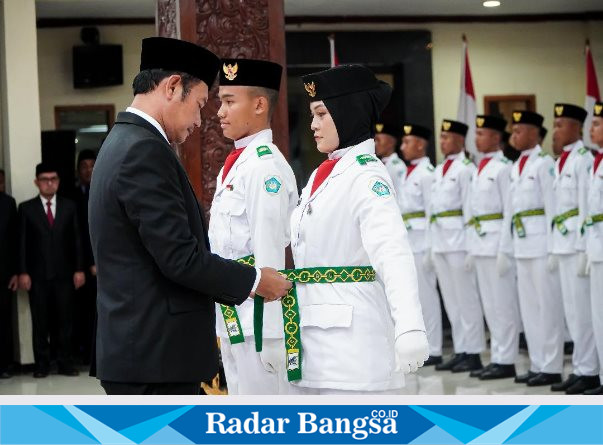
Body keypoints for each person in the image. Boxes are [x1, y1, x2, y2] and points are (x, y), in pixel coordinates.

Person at [88, 37, 291, 395]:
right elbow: (180, 258)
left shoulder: (122, 141)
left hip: (145, 351)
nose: (201, 121)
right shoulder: (144, 151)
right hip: (155, 358)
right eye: (199, 105)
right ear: (172, 87)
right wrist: (256, 282)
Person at [286, 64, 428, 395]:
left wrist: (409, 325)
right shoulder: (324, 174)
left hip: (352, 345)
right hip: (312, 336)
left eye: (321, 113)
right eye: (312, 114)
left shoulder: (366, 176)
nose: (313, 125)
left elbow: (391, 251)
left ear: (348, 112)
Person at [210, 58, 298, 394]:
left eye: (230, 101)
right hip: (234, 309)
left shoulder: (264, 167)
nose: (220, 111)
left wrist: (273, 332)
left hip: (258, 320)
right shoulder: (236, 164)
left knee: (264, 415)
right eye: (221, 101)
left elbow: (270, 253)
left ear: (260, 104)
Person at [504, 110, 564, 387]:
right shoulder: (517, 166)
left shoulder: (543, 164)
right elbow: (511, 211)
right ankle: (538, 363)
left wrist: (553, 248)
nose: (513, 135)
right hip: (522, 245)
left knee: (547, 308)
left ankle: (552, 365)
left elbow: (553, 209)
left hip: (541, 245)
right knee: (529, 309)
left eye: (518, 131)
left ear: (534, 134)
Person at [467, 115, 521, 380]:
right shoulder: (480, 167)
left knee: (503, 305)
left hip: (497, 242)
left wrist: (505, 250)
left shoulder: (504, 168)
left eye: (482, 133)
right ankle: (498, 356)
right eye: (476, 133)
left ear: (496, 138)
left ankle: (507, 359)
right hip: (480, 244)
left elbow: (510, 210)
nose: (476, 138)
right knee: (490, 305)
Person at [18, 163, 85, 378]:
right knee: (40, 322)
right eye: (45, 179)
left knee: (66, 320)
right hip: (37, 276)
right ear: (37, 182)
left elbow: (77, 239)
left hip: (65, 274)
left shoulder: (69, 206)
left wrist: (79, 269)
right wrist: (23, 272)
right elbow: (22, 243)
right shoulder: (26, 209)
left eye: (53, 179)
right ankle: (42, 364)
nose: (49, 183)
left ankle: (65, 362)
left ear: (58, 181)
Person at [550, 103, 599, 394]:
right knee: (572, 312)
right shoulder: (562, 161)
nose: (556, 130)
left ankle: (590, 370)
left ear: (576, 127)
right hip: (563, 244)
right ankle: (581, 367)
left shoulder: (583, 159)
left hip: (579, 246)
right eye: (555, 125)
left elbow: (584, 206)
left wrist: (583, 248)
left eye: (560, 125)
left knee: (584, 313)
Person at [430, 119, 485, 373]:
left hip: (460, 243)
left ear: (461, 140)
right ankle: (461, 349)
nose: (442, 142)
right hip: (441, 241)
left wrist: (472, 247)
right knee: (451, 300)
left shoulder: (465, 169)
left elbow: (470, 210)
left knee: (467, 299)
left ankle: (474, 352)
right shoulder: (440, 169)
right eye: (441, 137)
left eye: (447, 137)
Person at [399, 123, 442, 366]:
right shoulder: (410, 171)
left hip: (423, 242)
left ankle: (434, 348)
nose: (403, 147)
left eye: (407, 142)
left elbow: (430, 212)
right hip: (410, 240)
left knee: (427, 296)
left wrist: (431, 246)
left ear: (420, 144)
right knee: (415, 296)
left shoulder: (427, 173)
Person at [583, 101, 603, 394]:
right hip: (596, 246)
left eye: (597, 124)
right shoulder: (595, 161)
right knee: (598, 315)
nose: (592, 128)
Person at [71, 149, 97, 365]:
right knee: (83, 311)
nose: (88, 170)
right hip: (79, 263)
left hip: (102, 263)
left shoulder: (103, 189)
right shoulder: (71, 196)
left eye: (92, 165)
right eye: (84, 167)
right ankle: (85, 352)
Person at [0, 172, 18, 379]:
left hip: (4, 274)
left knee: (3, 322)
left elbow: (14, 239)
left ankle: (4, 364)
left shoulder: (7, 204)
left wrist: (15, 271)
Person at [375, 123, 406, 191]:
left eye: (379, 140)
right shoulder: (377, 163)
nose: (375, 144)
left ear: (391, 142)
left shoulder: (398, 166)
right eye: (375, 140)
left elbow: (401, 194)